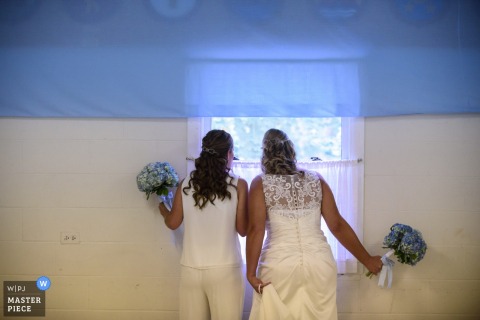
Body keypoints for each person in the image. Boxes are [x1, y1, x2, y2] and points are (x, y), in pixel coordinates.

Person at [246, 128, 382, 320]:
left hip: (279, 265)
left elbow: (255, 229)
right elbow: (337, 225)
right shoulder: (316, 179)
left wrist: (250, 274)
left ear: (265, 154)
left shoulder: (260, 183)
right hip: (320, 263)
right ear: (291, 152)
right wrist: (366, 259)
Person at [158, 129, 248, 320]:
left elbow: (173, 223)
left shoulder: (185, 183)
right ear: (229, 153)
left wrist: (163, 209)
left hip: (191, 269)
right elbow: (243, 229)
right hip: (226, 270)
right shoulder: (238, 185)